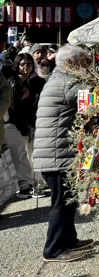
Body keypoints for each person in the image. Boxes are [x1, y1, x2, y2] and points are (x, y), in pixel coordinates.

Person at [33, 44, 93, 262]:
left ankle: (69, 239)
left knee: (69, 200)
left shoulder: (60, 79)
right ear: (71, 64)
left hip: (56, 153)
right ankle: (53, 249)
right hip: (56, 155)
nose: (87, 68)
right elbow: (91, 104)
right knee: (62, 202)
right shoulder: (69, 83)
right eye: (83, 63)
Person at [6, 53, 46, 199]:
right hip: (18, 123)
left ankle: (38, 183)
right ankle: (26, 184)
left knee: (34, 153)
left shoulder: (38, 81)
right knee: (22, 154)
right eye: (23, 64)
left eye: (29, 64)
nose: (26, 67)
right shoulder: (12, 81)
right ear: (17, 65)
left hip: (35, 121)